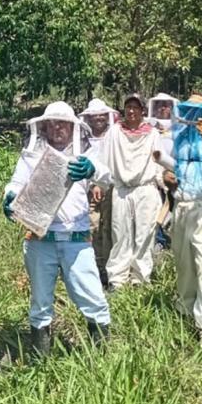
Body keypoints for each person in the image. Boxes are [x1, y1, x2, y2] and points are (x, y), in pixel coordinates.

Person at [3, 101, 112, 355]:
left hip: (76, 237)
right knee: (40, 302)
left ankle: (101, 359)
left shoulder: (85, 152)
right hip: (40, 238)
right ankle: (40, 361)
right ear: (45, 126)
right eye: (53, 123)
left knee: (92, 297)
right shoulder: (32, 154)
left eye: (63, 123)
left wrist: (91, 169)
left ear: (73, 126)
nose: (58, 127)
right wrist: (9, 196)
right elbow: (16, 183)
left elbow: (106, 175)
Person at [157, 94, 202, 349]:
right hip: (183, 206)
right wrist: (167, 176)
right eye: (189, 111)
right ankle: (186, 310)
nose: (193, 117)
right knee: (184, 262)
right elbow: (174, 168)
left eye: (199, 112)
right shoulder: (179, 138)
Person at [101, 93, 166, 289]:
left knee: (145, 236)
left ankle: (140, 278)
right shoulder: (114, 132)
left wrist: (166, 184)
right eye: (128, 107)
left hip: (145, 189)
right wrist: (99, 184)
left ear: (142, 111)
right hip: (121, 189)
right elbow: (104, 160)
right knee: (120, 235)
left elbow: (159, 162)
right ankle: (117, 280)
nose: (131, 111)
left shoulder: (153, 134)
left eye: (135, 107)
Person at [80, 98, 118, 285]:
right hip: (87, 190)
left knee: (108, 227)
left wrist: (102, 185)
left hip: (110, 188)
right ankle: (93, 267)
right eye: (94, 116)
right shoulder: (83, 139)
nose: (99, 118)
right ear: (89, 118)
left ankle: (107, 269)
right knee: (91, 227)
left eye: (102, 115)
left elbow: (111, 163)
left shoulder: (113, 136)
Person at [148, 93, 179, 251]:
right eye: (159, 105)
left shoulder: (179, 128)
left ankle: (169, 239)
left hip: (172, 175)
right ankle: (157, 241)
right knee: (154, 209)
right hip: (152, 175)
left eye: (166, 105)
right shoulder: (148, 127)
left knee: (171, 208)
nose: (163, 108)